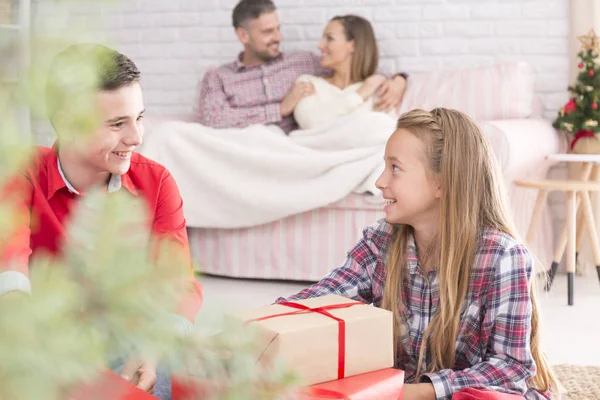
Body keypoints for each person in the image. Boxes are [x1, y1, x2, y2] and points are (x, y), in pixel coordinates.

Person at [276, 108, 558, 400]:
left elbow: (509, 370)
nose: (380, 181)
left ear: (442, 182)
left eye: (395, 168)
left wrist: (417, 392)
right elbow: (322, 300)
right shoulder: (380, 240)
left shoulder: (502, 257)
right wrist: (255, 329)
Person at [0, 43, 203, 400]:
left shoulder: (156, 183)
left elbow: (178, 282)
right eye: (117, 124)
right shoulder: (24, 171)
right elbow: (9, 256)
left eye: (138, 118)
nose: (136, 138)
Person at [196, 0, 408, 133]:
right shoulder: (219, 76)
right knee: (173, 134)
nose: (278, 37)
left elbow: (352, 70)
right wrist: (279, 109)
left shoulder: (302, 63)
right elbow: (212, 119)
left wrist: (398, 80)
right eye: (268, 32)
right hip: (237, 142)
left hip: (280, 145)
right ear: (244, 35)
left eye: (278, 29)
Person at [293, 15, 398, 130]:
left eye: (329, 38)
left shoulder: (377, 88)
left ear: (352, 46)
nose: (320, 45)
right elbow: (311, 124)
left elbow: (389, 131)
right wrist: (359, 95)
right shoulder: (307, 84)